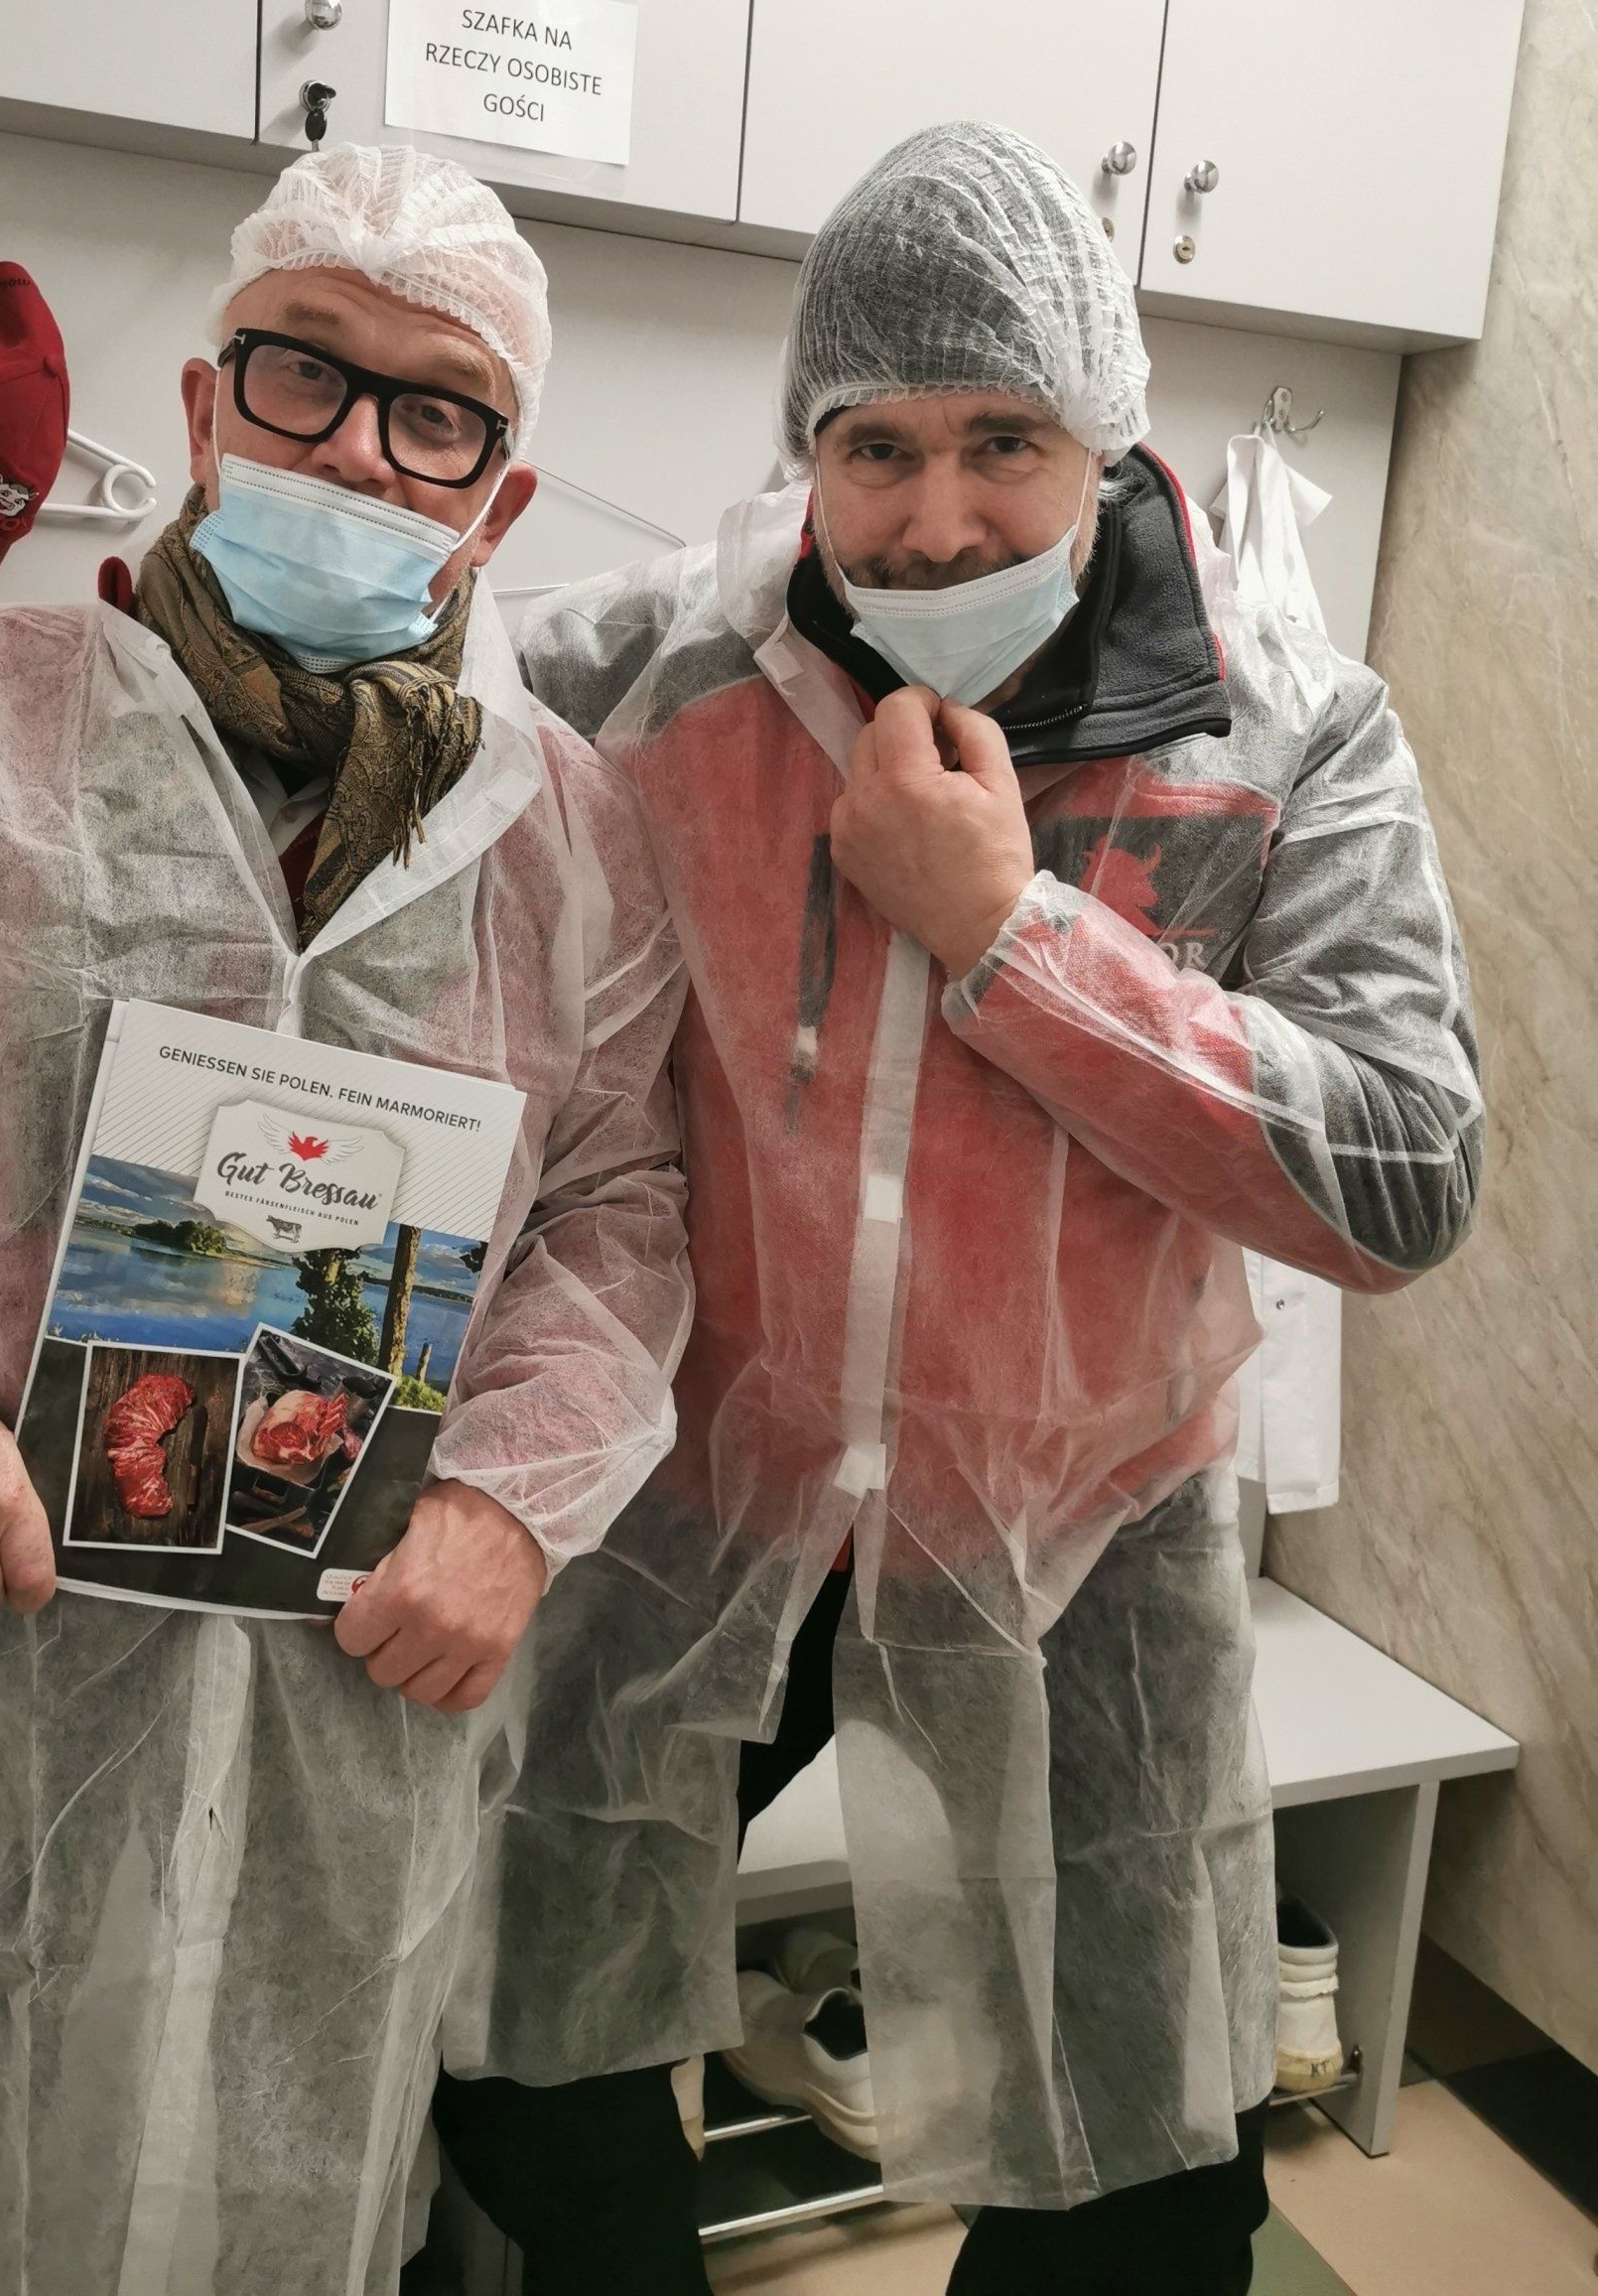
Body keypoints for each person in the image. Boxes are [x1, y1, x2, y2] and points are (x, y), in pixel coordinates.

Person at [423, 123, 1484, 2296]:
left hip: (1075, 1528)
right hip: (704, 1490)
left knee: (1133, 2170)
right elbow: (334, 733)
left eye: (1006, 440)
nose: (934, 519)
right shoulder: (654, 673)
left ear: (1110, 430)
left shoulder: (1287, 734)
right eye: (875, 447)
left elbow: (1404, 1172)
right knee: (522, 2027)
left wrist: (1013, 938)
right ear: (804, 452)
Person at [0, 144, 693, 2296]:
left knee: (265, 2187)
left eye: (438, 415)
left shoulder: (571, 835)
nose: (359, 448)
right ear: (206, 398)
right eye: (303, 372)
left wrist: (511, 1502)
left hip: (347, 1673)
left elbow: (621, 1204)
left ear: (502, 499)